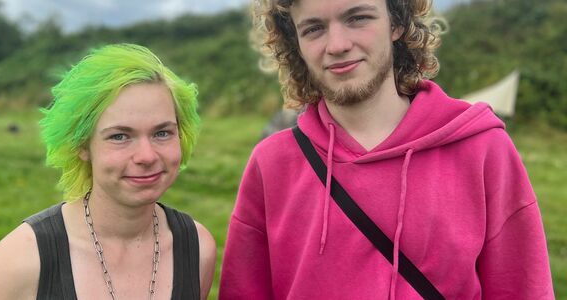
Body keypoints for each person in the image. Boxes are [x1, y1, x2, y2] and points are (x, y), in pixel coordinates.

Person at [220, 0, 554, 299]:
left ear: (396, 22)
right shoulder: (271, 165)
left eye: (358, 18)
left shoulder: (483, 150)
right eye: (314, 29)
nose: (337, 45)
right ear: (296, 42)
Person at [0, 44, 217, 299]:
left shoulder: (197, 250)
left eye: (162, 133)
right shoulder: (20, 262)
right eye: (120, 136)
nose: (147, 156)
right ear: (81, 146)